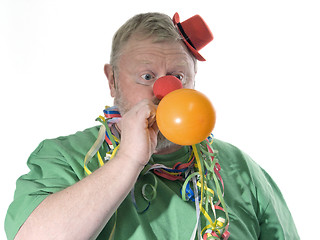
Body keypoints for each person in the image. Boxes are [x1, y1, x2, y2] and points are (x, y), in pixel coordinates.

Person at [5, 12, 300, 240]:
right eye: (146, 77)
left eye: (179, 77)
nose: (165, 90)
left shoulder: (237, 167)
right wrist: (129, 160)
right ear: (113, 80)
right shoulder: (62, 157)